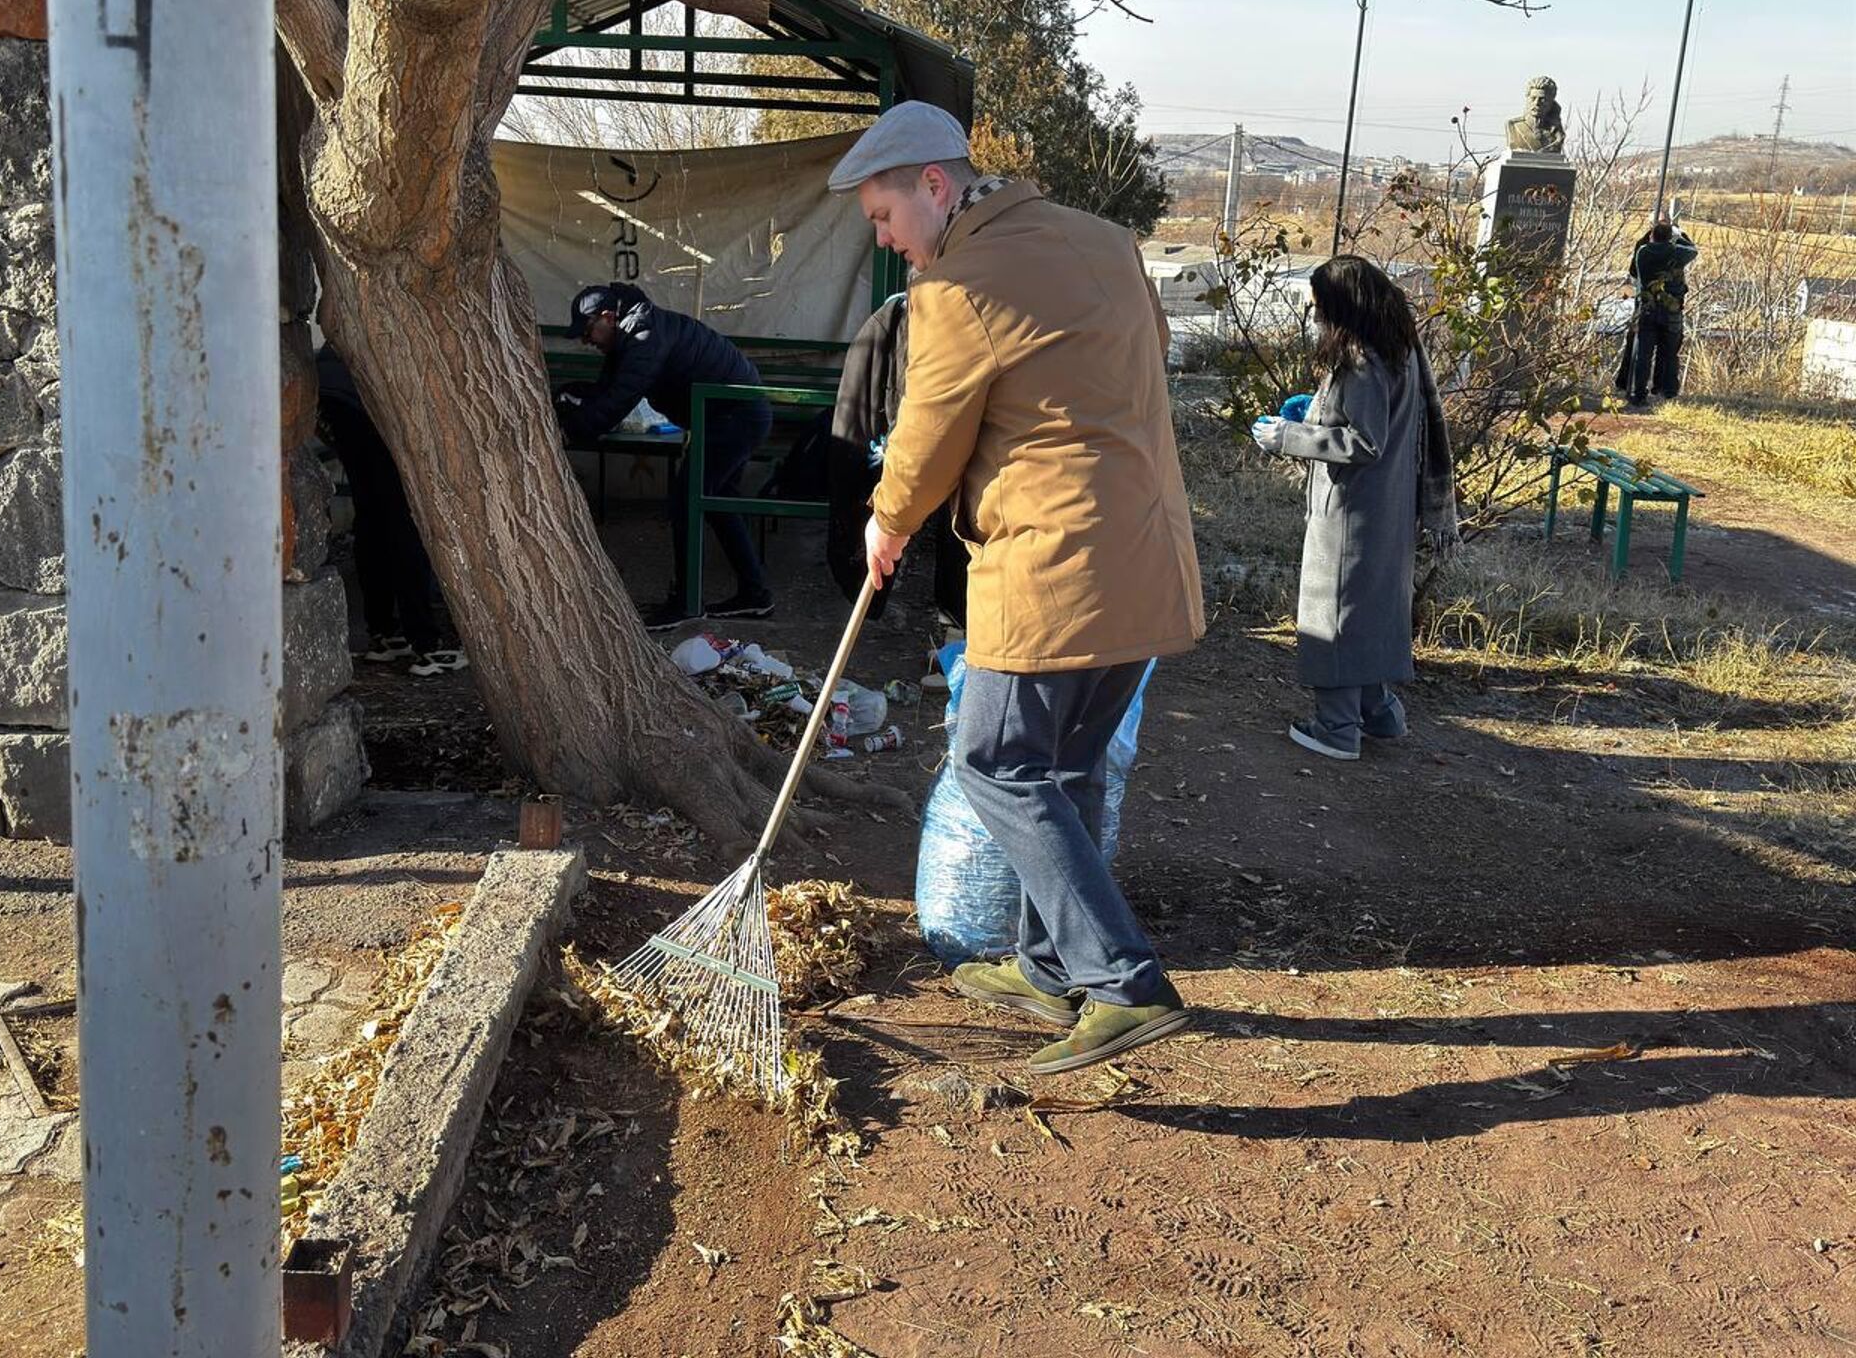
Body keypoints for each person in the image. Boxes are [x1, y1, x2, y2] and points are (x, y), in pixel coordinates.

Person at [832, 101, 1206, 1076]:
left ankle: (1121, 982)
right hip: (1148, 560)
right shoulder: (1105, 241)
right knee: (1070, 767)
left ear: (936, 187)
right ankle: (1048, 971)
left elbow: (927, 431)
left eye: (884, 218)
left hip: (1056, 573)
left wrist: (888, 520)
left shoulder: (958, 288)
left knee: (994, 762)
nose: (885, 240)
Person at [1250, 256, 1459, 760]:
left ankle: (1336, 728)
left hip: (1352, 509)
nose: (1318, 316)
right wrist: (1319, 407)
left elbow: (1365, 442)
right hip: (1389, 507)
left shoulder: (1361, 358)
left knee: (1335, 615)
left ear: (1343, 305)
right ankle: (1380, 714)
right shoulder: (1400, 348)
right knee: (1371, 615)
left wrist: (1290, 436)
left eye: (1322, 306)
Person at [556, 283, 773, 630]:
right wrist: (568, 396)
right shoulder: (631, 335)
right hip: (733, 414)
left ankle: (686, 604)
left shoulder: (643, 337)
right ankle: (756, 595)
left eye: (587, 331)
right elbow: (607, 392)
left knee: (687, 500)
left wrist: (569, 433)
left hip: (735, 417)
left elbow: (620, 399)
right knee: (718, 503)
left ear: (608, 318)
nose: (587, 341)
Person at [316, 346, 465, 677]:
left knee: (373, 518)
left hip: (341, 394)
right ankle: (427, 645)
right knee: (403, 521)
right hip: (372, 400)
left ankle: (384, 633)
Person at [1626, 219, 1699, 411]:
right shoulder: (1676, 252)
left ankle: (1638, 393)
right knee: (1669, 353)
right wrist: (1679, 233)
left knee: (1643, 354)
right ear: (1669, 238)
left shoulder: (1643, 253)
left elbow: (1639, 249)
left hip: (1647, 308)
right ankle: (1667, 391)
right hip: (1671, 309)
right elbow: (1692, 250)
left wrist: (1649, 232)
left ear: (1652, 236)